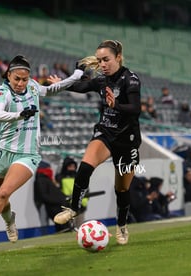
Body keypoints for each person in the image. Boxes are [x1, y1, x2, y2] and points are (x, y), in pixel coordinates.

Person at [0, 55, 84, 251]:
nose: (20, 83)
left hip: (27, 154)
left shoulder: (33, 86)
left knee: (2, 194)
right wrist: (19, 115)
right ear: (9, 76)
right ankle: (10, 220)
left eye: (24, 79)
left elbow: (51, 90)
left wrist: (77, 74)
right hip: (2, 152)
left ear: (29, 78)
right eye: (16, 79)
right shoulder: (2, 91)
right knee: (1, 201)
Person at [53, 40, 142, 246]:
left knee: (121, 189)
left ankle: (121, 226)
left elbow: (136, 109)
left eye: (106, 60)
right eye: (100, 60)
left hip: (127, 140)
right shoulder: (102, 80)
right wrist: (61, 84)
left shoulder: (131, 80)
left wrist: (116, 104)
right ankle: (73, 208)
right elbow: (82, 86)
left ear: (118, 57)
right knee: (85, 166)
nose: (102, 64)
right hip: (105, 133)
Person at [34, 161, 70, 232]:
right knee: (45, 223)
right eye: (49, 168)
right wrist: (60, 200)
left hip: (50, 205)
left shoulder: (46, 179)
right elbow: (44, 195)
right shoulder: (42, 180)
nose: (51, 169)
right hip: (46, 205)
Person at [55, 156, 88, 228]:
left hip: (80, 206)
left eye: (73, 166)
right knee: (69, 226)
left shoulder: (79, 176)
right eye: (70, 166)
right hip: (67, 206)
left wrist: (83, 203)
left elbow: (85, 190)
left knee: (80, 225)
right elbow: (59, 191)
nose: (72, 168)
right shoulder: (60, 177)